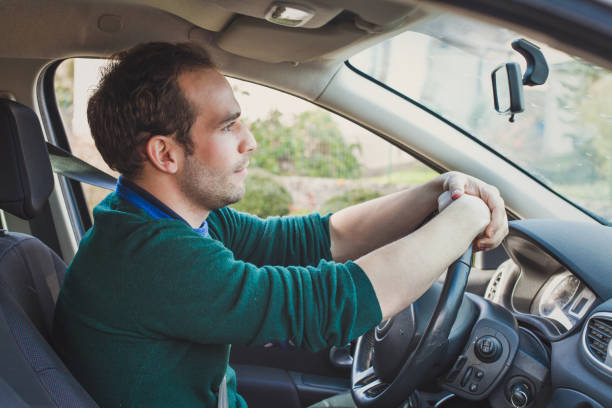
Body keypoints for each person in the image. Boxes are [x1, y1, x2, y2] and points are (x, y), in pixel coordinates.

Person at [52, 42, 508, 408]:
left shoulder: (163, 218)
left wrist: (438, 190)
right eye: (228, 126)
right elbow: (334, 305)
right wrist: (467, 216)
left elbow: (322, 238)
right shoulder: (153, 259)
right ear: (165, 154)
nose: (250, 141)